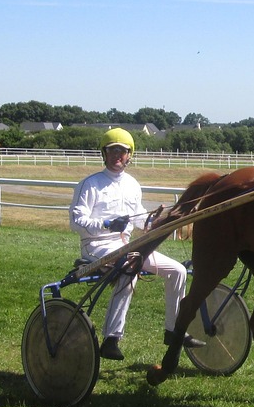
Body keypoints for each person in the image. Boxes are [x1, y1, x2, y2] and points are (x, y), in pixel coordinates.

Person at [69, 128, 200, 361]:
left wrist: (155, 220)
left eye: (123, 151)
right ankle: (111, 339)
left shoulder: (132, 184)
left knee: (178, 271)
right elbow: (77, 221)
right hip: (96, 246)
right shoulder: (89, 184)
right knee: (129, 267)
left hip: (127, 245)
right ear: (104, 154)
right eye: (113, 151)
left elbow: (139, 218)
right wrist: (108, 224)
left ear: (130, 156)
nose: (117, 155)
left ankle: (174, 331)